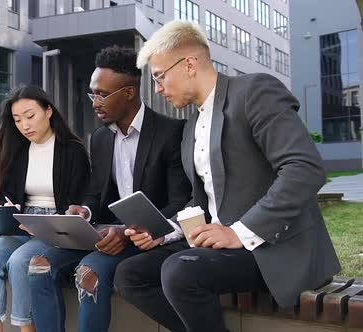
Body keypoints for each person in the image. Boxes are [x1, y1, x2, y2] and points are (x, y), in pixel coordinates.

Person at [114, 20, 341, 332]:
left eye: (159, 76)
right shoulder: (192, 124)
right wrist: (164, 232)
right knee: (130, 274)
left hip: (270, 246)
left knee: (180, 272)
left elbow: (305, 168)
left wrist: (240, 232)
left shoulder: (254, 92)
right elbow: (201, 200)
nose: (157, 89)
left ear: (190, 64)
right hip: (222, 246)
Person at [27, 46, 191, 332]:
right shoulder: (101, 138)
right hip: (106, 234)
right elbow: (96, 192)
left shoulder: (171, 132)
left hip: (149, 240)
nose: (94, 102)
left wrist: (127, 232)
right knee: (39, 264)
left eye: (102, 94)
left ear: (128, 93)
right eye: (93, 93)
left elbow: (179, 202)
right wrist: (85, 210)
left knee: (89, 272)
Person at [0, 85, 90, 332]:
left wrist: (45, 224)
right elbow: (5, 193)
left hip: (53, 227)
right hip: (21, 223)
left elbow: (78, 203)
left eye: (30, 116)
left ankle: (26, 328)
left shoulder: (72, 150)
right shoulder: (16, 150)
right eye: (17, 120)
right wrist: (7, 209)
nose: (25, 125)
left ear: (48, 111)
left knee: (20, 261)